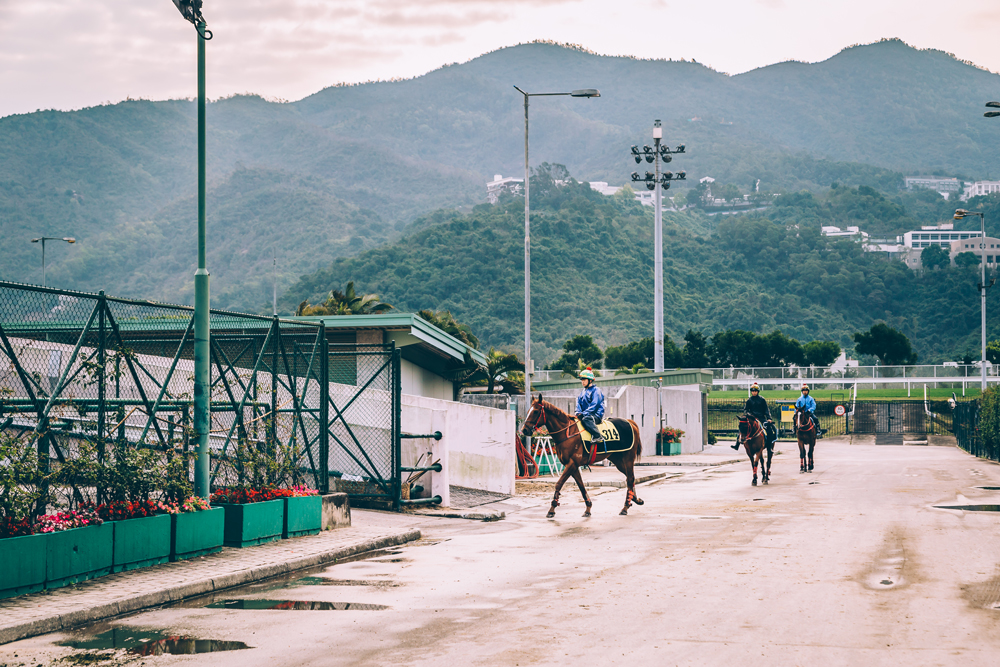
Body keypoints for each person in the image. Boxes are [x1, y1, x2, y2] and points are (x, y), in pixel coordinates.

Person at [733, 383, 777, 450]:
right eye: (752, 391)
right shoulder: (749, 400)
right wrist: (748, 414)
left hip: (761, 418)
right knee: (742, 428)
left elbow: (766, 409)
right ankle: (737, 444)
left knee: (769, 430)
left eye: (755, 391)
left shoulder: (762, 400)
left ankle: (769, 446)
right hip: (751, 418)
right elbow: (745, 410)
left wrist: (769, 418)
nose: (754, 393)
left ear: (758, 392)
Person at [576, 368, 605, 447]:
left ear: (590, 380)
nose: (582, 381)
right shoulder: (582, 392)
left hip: (595, 415)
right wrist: (578, 413)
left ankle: (598, 436)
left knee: (586, 419)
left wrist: (584, 414)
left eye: (584, 379)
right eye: (582, 380)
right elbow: (578, 404)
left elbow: (595, 405)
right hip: (586, 415)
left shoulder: (596, 390)